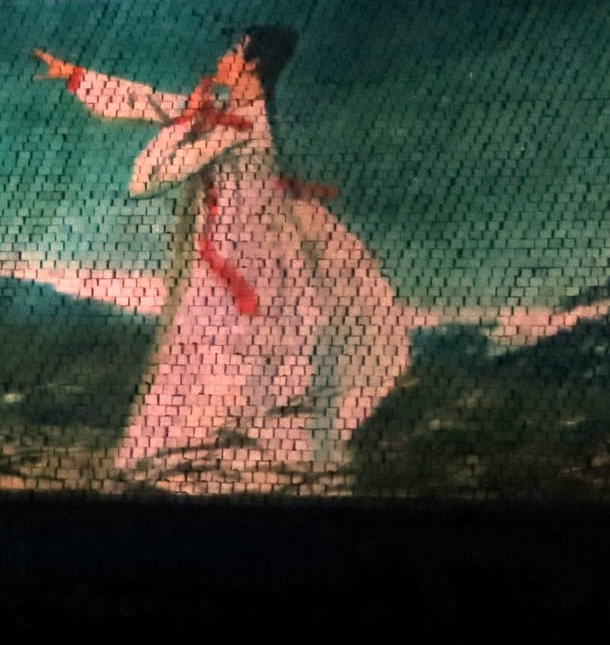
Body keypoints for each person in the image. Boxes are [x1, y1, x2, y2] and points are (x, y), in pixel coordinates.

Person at [34, 28, 407, 478]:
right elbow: (149, 101)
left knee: (221, 365)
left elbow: (146, 178)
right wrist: (77, 76)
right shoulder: (231, 115)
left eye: (233, 50)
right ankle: (213, 463)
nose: (223, 56)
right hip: (237, 258)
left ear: (251, 63)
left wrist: (182, 124)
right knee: (216, 367)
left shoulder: (241, 125)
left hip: (242, 264)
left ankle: (217, 468)